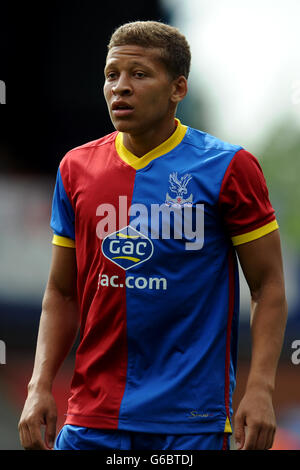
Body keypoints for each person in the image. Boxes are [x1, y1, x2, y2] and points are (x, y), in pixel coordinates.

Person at [18, 20, 287, 451]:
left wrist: (261, 389)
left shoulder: (229, 167)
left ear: (178, 89)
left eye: (139, 75)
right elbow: (61, 291)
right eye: (112, 75)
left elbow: (268, 286)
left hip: (190, 422)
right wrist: (39, 385)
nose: (120, 88)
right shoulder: (75, 168)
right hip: (92, 419)